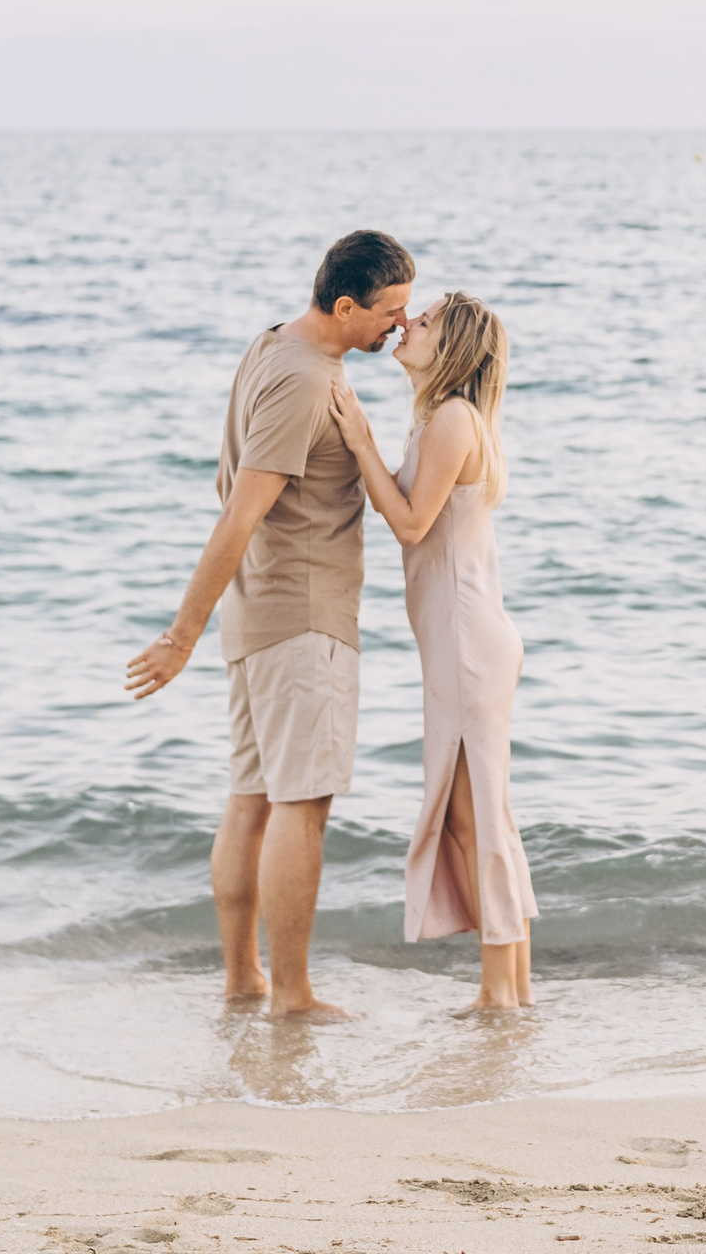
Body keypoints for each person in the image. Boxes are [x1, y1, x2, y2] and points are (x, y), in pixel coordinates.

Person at [124, 230, 415, 1020]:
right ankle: (291, 995)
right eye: (389, 311)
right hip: (302, 618)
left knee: (250, 798)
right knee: (300, 804)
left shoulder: (272, 344)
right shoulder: (304, 380)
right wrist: (181, 634)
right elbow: (240, 512)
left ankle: (245, 980)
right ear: (345, 305)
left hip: (260, 616)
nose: (400, 323)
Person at [327, 292, 536, 1010]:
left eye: (425, 321)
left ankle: (499, 992)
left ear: (451, 348)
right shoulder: (444, 419)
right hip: (465, 636)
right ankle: (514, 987)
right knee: (484, 814)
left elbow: (412, 525)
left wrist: (361, 441)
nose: (407, 323)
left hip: (465, 639)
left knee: (475, 817)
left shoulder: (451, 420)